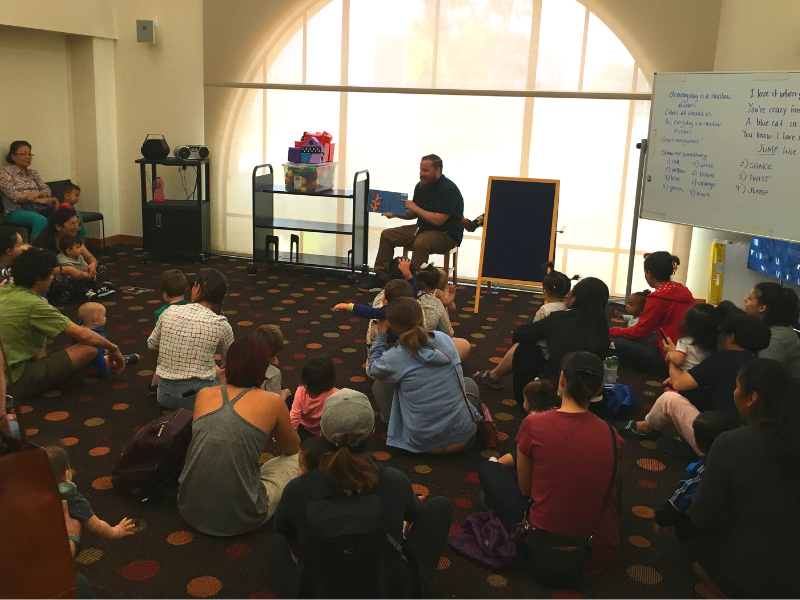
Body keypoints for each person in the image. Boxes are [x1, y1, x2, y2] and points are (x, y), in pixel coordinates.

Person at [271, 389, 454, 598]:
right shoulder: (394, 480)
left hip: (322, 589)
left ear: (321, 434)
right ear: (372, 433)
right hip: (385, 589)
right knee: (440, 506)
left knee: (278, 541)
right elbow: (414, 513)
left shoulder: (298, 489)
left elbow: (284, 528)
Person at [478, 352, 624, 576]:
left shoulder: (534, 424)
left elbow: (526, 490)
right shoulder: (613, 436)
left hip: (546, 546)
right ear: (598, 390)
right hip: (600, 550)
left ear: (562, 380)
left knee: (489, 469)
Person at [689, 358, 800, 598]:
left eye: (737, 386)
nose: (734, 392)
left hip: (752, 577)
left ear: (752, 398)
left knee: (692, 545)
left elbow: (702, 517)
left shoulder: (733, 443)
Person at [178, 335, 301, 536]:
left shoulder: (205, 394)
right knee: (298, 459)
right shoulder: (273, 402)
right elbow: (292, 448)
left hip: (188, 506)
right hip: (242, 517)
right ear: (264, 366)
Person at [617, 313, 771, 456]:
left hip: (722, 444)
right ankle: (687, 444)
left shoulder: (724, 357)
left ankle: (646, 428)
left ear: (731, 337)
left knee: (669, 398)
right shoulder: (761, 365)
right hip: (751, 444)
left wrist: (672, 355)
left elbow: (678, 384)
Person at [0, 247, 126, 399]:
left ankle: (42, 367)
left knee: (43, 314)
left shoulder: (5, 289)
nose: (52, 278)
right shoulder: (34, 305)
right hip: (13, 380)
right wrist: (113, 348)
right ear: (39, 279)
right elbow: (84, 336)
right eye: (50, 274)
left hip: (6, 367)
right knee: (91, 348)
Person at [368, 297, 479, 453]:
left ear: (391, 325)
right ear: (422, 317)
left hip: (418, 445)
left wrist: (381, 334)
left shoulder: (396, 357)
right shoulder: (444, 339)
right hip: (464, 440)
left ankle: (393, 426)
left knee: (380, 385)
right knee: (469, 383)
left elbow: (372, 368)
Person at [360, 154, 464, 290]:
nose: (422, 174)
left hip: (446, 233)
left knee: (421, 242)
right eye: (420, 170)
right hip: (422, 228)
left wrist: (414, 207)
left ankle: (414, 283)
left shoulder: (448, 190)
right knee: (387, 235)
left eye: (426, 170)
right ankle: (381, 277)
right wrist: (396, 213)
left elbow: (438, 220)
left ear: (437, 170)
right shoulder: (421, 187)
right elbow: (414, 214)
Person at [474, 264, 577, 391]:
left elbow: (532, 331)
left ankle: (494, 375)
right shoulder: (568, 309)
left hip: (545, 352)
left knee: (520, 344)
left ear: (545, 291)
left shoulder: (545, 310)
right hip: (561, 351)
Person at [147, 268, 234, 410]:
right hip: (201, 398)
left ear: (198, 288)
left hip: (164, 396)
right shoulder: (221, 324)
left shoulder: (169, 311)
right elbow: (230, 363)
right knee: (226, 374)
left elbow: (151, 345)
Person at [654, 410, 743, 543]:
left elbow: (681, 497)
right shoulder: (744, 460)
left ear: (699, 445)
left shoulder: (704, 470)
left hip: (708, 529)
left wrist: (661, 520)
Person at [610, 252, 695, 376]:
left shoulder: (658, 298)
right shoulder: (682, 290)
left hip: (673, 359)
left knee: (620, 342)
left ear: (649, 274)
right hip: (692, 357)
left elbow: (639, 332)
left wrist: (612, 331)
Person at [45, 445, 135, 540]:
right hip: (57, 547)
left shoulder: (31, 498)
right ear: (65, 475)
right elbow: (96, 526)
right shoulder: (72, 500)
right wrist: (116, 531)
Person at [33, 207, 111, 303]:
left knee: (101, 268)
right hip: (57, 275)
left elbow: (90, 258)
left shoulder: (72, 236)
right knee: (56, 281)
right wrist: (68, 270)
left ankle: (84, 290)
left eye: (76, 222)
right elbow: (40, 270)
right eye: (72, 223)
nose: (76, 226)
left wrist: (92, 266)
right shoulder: (44, 241)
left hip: (79, 275)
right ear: (58, 227)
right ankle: (90, 288)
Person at [490, 379, 561, 467]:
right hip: (556, 452)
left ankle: (496, 464)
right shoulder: (557, 410)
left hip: (536, 453)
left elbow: (523, 445)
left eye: (525, 400)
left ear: (531, 403)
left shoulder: (532, 419)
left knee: (515, 455)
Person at [743, 281, 800, 380]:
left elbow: (761, 377)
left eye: (750, 298)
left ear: (762, 307)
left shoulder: (776, 339)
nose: (745, 300)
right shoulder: (769, 329)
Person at [0, 141, 57, 239]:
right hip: (16, 211)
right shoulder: (5, 173)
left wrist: (37, 193)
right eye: (23, 154)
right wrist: (38, 199)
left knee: (69, 215)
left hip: (38, 208)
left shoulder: (33, 173)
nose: (27, 157)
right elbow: (15, 196)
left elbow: (47, 190)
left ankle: (71, 248)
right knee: (40, 220)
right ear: (13, 156)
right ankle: (36, 252)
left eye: (29, 154)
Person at [414, 263, 470, 360]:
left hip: (402, 349)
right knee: (463, 345)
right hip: (426, 348)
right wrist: (452, 294)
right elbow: (448, 333)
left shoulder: (401, 295)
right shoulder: (436, 301)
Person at [147, 269, 189, 396]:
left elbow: (157, 337)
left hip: (168, 349)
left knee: (160, 362)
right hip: (189, 347)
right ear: (185, 290)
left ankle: (154, 387)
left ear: (164, 294)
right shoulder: (192, 306)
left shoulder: (162, 312)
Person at [72, 302, 138, 375]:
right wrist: (105, 370)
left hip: (78, 363)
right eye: (103, 316)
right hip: (92, 366)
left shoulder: (78, 330)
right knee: (109, 360)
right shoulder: (96, 337)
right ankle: (119, 361)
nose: (105, 318)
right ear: (95, 321)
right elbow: (98, 358)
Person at [290, 356, 339, 439]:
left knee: (289, 400)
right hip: (324, 434)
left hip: (303, 428)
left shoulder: (300, 391)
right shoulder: (335, 394)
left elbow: (294, 418)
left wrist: (287, 435)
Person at [663, 303, 720, 372]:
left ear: (687, 324)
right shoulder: (713, 343)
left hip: (686, 376)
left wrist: (669, 354)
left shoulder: (684, 342)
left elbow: (678, 360)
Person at [57, 236, 112, 300]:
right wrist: (83, 275)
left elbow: (85, 266)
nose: (80, 249)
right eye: (78, 247)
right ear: (68, 250)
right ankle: (87, 292)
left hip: (83, 277)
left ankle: (99, 288)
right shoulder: (63, 261)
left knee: (93, 274)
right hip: (72, 280)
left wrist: (89, 272)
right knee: (77, 283)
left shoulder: (79, 256)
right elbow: (70, 276)